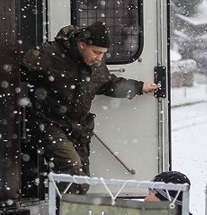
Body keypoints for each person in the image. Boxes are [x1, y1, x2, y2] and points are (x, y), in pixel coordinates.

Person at [21, 21, 159, 193]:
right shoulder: (51, 54)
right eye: (96, 52)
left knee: (82, 182)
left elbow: (108, 84)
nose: (99, 58)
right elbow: (20, 69)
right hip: (50, 124)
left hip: (79, 128)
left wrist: (138, 87)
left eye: (103, 54)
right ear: (82, 45)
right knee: (72, 169)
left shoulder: (96, 64)